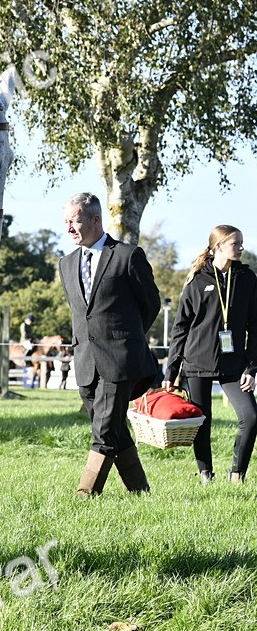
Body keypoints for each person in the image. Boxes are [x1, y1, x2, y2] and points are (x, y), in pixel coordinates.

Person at [59, 192, 161, 496]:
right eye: (65, 222)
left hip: (120, 360)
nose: (69, 228)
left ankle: (85, 494)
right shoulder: (66, 264)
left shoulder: (128, 255)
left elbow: (151, 304)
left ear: (95, 219)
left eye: (75, 221)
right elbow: (81, 312)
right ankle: (140, 491)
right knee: (113, 427)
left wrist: (127, 338)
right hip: (85, 361)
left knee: (103, 432)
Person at [163, 225, 257, 484]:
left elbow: (255, 326)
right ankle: (206, 474)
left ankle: (237, 474)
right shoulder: (197, 280)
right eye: (235, 243)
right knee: (202, 421)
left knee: (251, 416)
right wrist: (171, 372)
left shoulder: (247, 279)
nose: (241, 247)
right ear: (218, 246)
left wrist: (251, 367)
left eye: (241, 243)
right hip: (197, 361)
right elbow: (180, 328)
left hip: (234, 363)